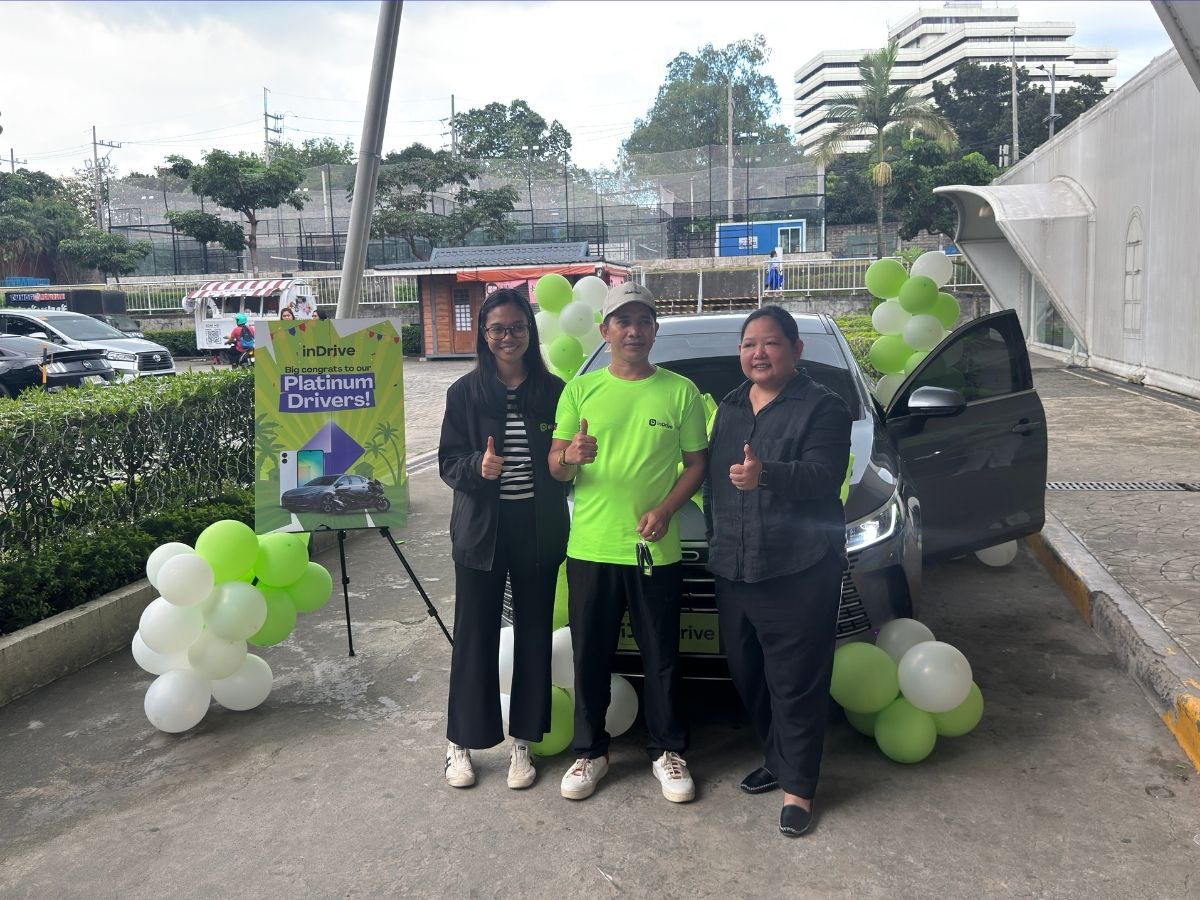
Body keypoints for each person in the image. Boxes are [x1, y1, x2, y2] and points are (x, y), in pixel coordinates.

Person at [549, 282, 708, 803]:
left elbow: (697, 464)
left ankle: (667, 750)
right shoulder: (580, 390)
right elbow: (554, 466)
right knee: (590, 656)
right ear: (605, 331)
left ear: (654, 330)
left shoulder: (680, 391)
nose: (633, 330)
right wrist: (570, 457)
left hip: (654, 550)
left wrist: (666, 509)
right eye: (623, 321)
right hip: (590, 547)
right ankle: (590, 752)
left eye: (643, 321)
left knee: (662, 654)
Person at [703, 305, 852, 838]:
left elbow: (823, 475)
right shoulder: (730, 406)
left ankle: (799, 789)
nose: (758, 353)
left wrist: (766, 474)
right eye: (749, 344)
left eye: (770, 343)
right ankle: (777, 759)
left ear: (795, 350)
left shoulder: (823, 407)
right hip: (735, 566)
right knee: (750, 674)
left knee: (796, 682)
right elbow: (714, 485)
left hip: (797, 567)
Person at [438, 289, 569, 790]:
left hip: (537, 529)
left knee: (534, 634)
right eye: (497, 329)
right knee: (475, 636)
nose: (508, 337)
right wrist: (479, 465)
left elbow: (565, 465)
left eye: (517, 327)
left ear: (529, 332)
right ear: (484, 335)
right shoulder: (464, 393)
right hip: (481, 531)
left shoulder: (554, 391)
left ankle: (524, 743)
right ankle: (461, 743)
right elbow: (449, 463)